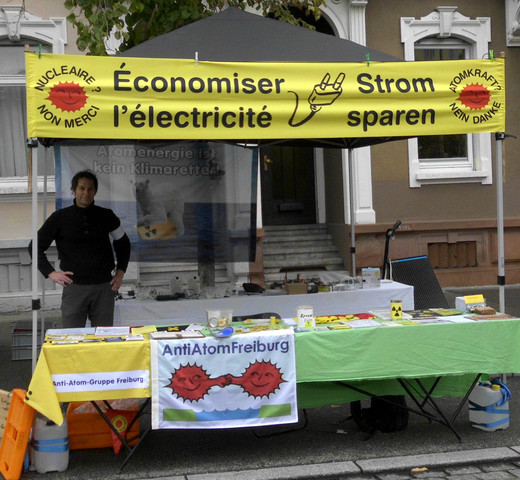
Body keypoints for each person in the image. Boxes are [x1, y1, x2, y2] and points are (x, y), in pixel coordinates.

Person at [29, 170, 131, 328]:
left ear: (95, 191)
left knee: (103, 340)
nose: (86, 192)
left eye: (90, 189)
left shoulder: (106, 216)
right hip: (74, 289)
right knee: (73, 339)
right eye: (82, 188)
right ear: (74, 190)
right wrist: (50, 272)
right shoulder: (59, 218)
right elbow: (34, 247)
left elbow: (123, 243)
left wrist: (121, 272)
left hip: (104, 287)